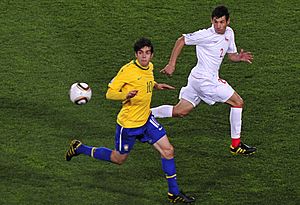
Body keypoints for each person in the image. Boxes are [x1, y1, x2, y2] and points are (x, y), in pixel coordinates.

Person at [65, 37, 195, 203]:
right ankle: (80, 148)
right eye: (140, 53)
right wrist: (124, 95)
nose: (144, 56)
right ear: (136, 54)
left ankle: (174, 193)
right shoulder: (127, 71)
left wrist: (155, 85)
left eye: (147, 53)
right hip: (129, 126)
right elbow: (109, 93)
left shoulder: (150, 67)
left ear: (152, 55)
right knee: (119, 159)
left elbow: (146, 79)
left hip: (146, 120)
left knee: (168, 151)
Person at [151, 6, 256, 155]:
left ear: (228, 21)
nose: (218, 26)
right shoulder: (205, 35)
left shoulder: (229, 33)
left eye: (221, 22)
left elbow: (231, 55)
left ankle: (145, 114)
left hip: (196, 80)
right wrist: (171, 64)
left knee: (180, 111)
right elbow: (181, 40)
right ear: (211, 21)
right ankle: (235, 145)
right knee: (238, 102)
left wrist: (239, 57)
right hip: (205, 82)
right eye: (215, 22)